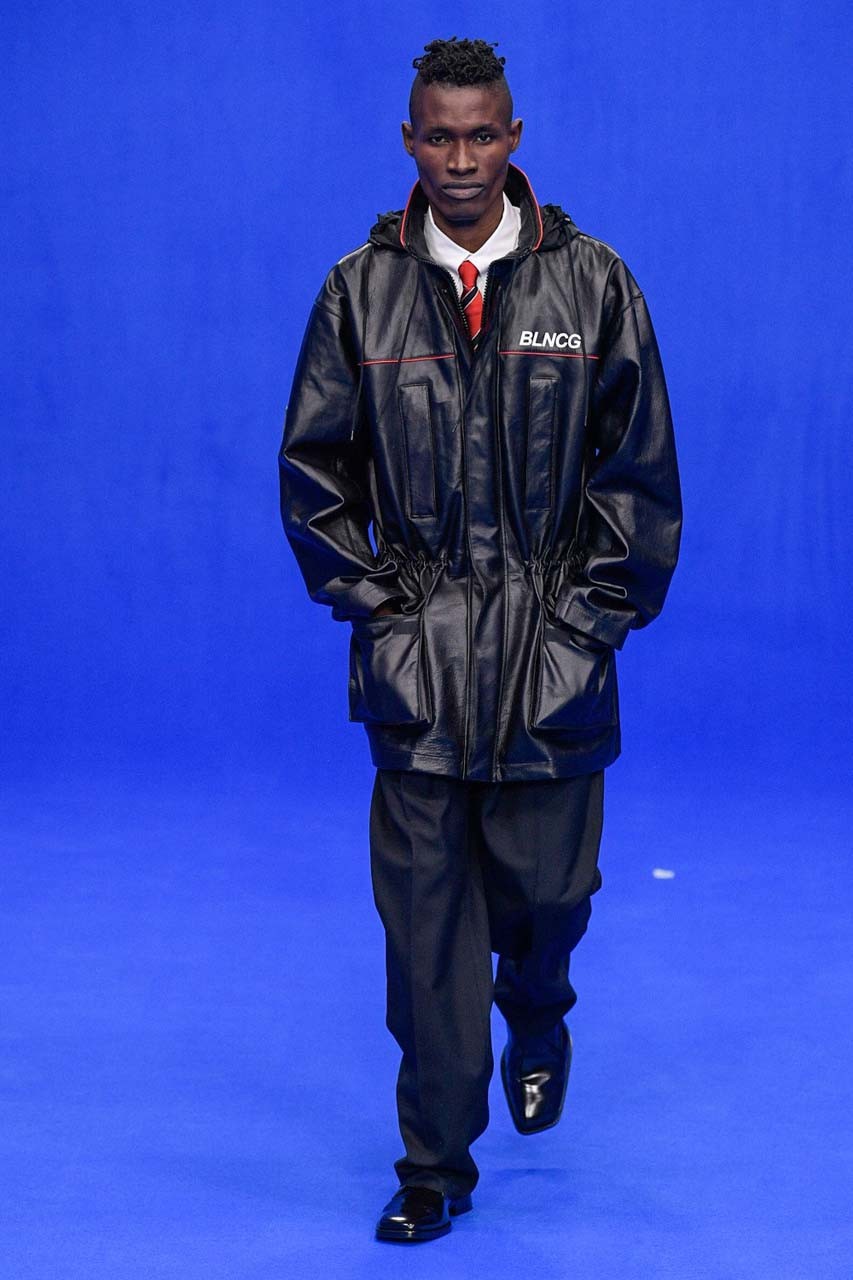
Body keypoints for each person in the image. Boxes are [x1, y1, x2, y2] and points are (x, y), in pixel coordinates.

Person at [278, 35, 682, 1244]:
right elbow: (313, 473)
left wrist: (585, 623)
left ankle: (539, 1007)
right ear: (409, 142)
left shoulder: (593, 284)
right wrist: (381, 609)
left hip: (552, 670)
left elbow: (639, 475)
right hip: (417, 679)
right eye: (439, 137)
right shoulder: (359, 291)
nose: (460, 159)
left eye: (482, 134)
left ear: (514, 138)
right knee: (425, 939)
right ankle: (431, 1165)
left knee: (546, 897)